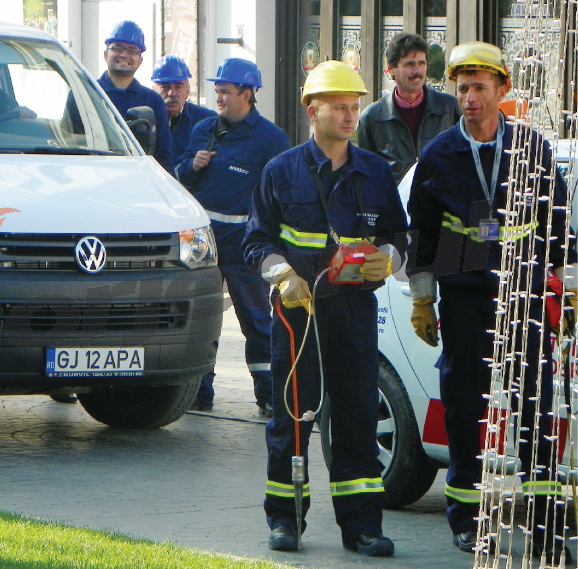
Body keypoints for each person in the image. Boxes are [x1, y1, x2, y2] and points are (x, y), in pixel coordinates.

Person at [406, 41, 575, 562]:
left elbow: (557, 223)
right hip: (463, 283)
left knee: (533, 405)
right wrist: (422, 299)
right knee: (465, 406)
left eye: (479, 87)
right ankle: (467, 519)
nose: (470, 98)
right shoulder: (439, 154)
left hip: (520, 284)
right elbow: (422, 234)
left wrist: (567, 282)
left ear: (503, 89)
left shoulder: (531, 147)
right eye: (462, 89)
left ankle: (544, 524)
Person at [243, 60, 407, 555]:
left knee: (358, 414)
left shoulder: (375, 172)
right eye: (338, 107)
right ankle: (286, 520)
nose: (350, 115)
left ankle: (362, 527)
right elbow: (256, 241)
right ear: (311, 110)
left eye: (354, 106)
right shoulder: (281, 170)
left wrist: (389, 258)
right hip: (298, 314)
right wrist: (282, 275)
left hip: (354, 312)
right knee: (291, 417)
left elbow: (399, 236)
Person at [175, 58, 289, 416]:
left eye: (225, 91)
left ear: (247, 93)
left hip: (244, 245)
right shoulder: (203, 129)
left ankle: (270, 396)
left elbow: (281, 195)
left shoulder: (271, 139)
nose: (219, 98)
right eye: (217, 91)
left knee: (256, 320)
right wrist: (190, 166)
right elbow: (178, 179)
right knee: (200, 319)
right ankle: (197, 394)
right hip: (201, 244)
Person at [357, 32, 461, 184]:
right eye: (409, 64)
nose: (417, 71)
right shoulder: (372, 118)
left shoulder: (450, 108)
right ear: (391, 69)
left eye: (422, 63)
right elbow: (367, 176)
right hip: (394, 198)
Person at [98, 20, 174, 174]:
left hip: (139, 181)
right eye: (117, 48)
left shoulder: (153, 101)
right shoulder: (87, 93)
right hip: (98, 177)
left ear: (140, 61)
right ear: (106, 55)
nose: (124, 55)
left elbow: (164, 157)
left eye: (132, 50)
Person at [151, 54, 216, 159]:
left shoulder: (207, 120)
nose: (172, 93)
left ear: (187, 91)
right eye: (165, 87)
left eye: (178, 87)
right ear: (154, 92)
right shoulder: (144, 120)